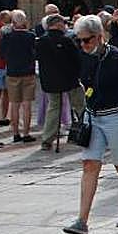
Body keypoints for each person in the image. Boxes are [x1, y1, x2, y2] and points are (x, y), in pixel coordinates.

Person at [62, 15, 118, 234]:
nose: (83, 45)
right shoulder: (84, 56)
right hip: (93, 117)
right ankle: (82, 220)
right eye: (80, 40)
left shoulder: (117, 58)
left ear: (99, 37)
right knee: (89, 165)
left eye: (87, 40)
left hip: (117, 116)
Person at [36, 13, 84, 149]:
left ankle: (47, 139)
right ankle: (88, 131)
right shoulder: (66, 41)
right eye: (64, 23)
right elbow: (77, 59)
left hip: (50, 81)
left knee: (53, 108)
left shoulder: (40, 41)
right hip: (70, 79)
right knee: (80, 106)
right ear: (58, 25)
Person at [0, 10, 37, 143]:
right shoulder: (31, 36)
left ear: (13, 23)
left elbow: (2, 53)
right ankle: (26, 133)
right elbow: (35, 53)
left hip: (12, 72)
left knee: (14, 104)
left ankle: (15, 133)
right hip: (28, 72)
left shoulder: (7, 37)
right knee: (27, 105)